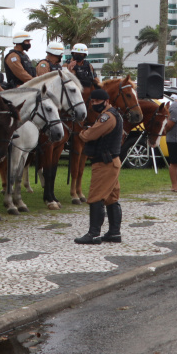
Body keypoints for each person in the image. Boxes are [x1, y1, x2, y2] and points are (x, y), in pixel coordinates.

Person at [75, 89, 123, 244]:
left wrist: (82, 132)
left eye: (97, 101)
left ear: (106, 101)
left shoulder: (106, 117)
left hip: (104, 163)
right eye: (92, 101)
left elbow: (90, 135)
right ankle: (114, 233)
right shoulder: (114, 114)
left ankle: (94, 234)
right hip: (111, 161)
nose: (94, 104)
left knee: (96, 197)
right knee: (111, 198)